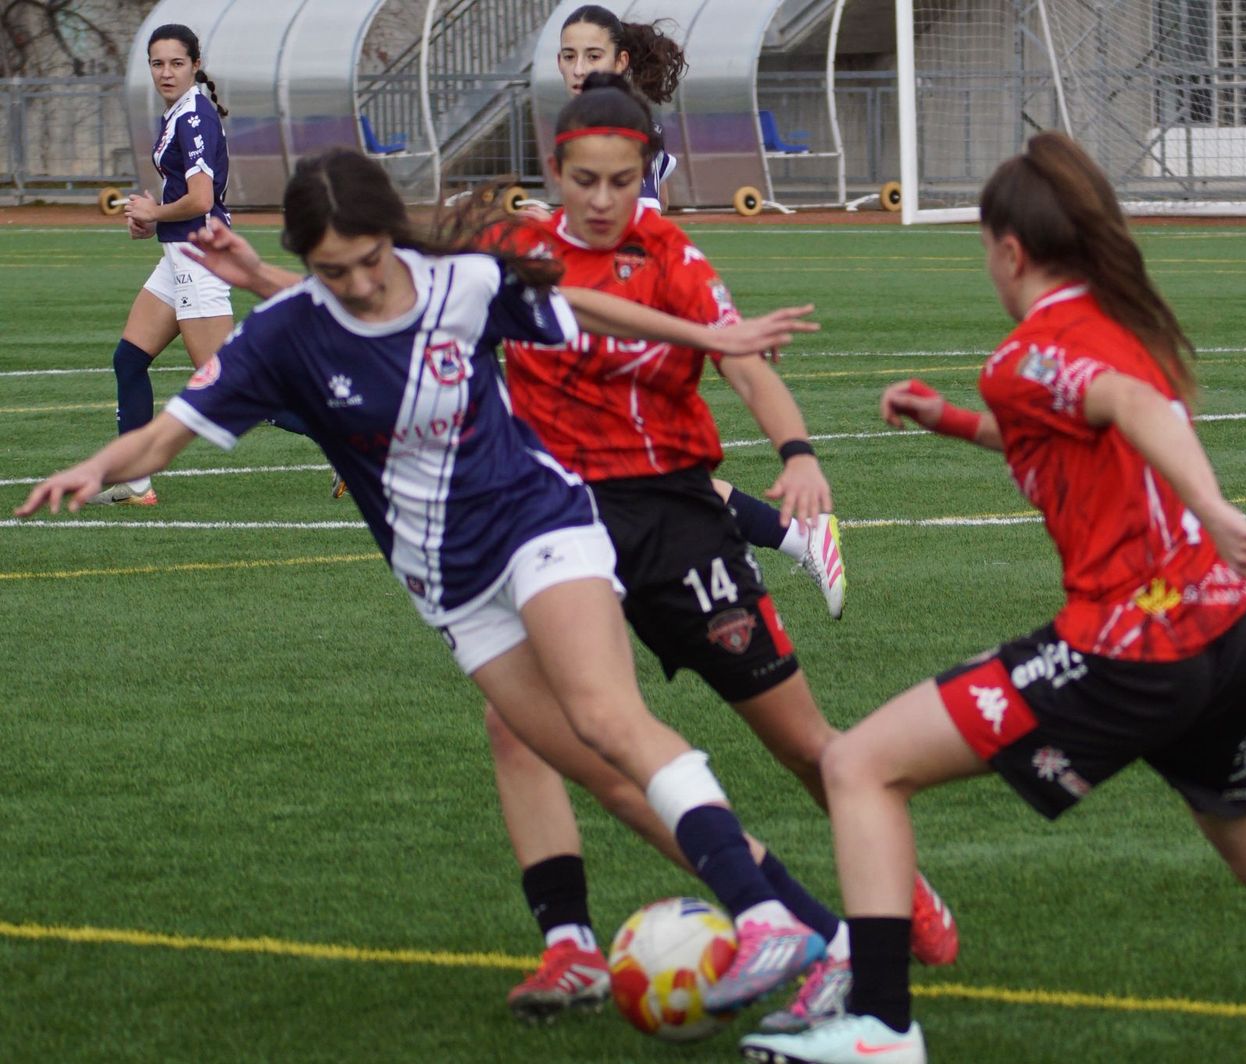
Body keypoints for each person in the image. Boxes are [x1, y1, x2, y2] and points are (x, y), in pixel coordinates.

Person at [17, 146, 834, 1016]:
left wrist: (708, 337)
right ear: (305, 262)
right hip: (450, 587)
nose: (363, 283)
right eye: (334, 271)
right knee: (596, 773)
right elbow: (164, 437)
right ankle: (816, 928)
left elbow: (573, 304)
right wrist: (94, 468)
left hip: (541, 526)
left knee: (606, 719)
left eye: (372, 259)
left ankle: (762, 919)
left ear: (390, 237)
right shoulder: (282, 337)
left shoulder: (459, 283)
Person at [739, 132, 1246, 1064]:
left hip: (1133, 645)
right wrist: (952, 423)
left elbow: (1133, 412)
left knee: (858, 767)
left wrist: (1214, 506)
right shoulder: (1118, 322)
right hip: (1224, 636)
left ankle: (881, 1031)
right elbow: (1079, 432)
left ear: (1010, 250)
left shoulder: (1029, 354)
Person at [478, 75, 955, 1027]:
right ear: (554, 173)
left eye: (622, 179)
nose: (604, 199)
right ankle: (571, 944)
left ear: (646, 171)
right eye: (585, 180)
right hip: (558, 527)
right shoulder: (514, 249)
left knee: (798, 743)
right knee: (529, 729)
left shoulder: (675, 261)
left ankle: (892, 888)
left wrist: (799, 455)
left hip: (676, 525)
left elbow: (739, 357)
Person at [551, 4, 847, 617]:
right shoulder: (583, 126)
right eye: (569, 55)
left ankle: (774, 543)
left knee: (624, 475)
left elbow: (643, 243)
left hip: (636, 324)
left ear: (621, 61)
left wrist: (714, 328)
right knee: (609, 476)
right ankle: (775, 540)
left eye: (593, 55)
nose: (579, 68)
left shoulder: (632, 136)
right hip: (611, 321)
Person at [94, 23, 236, 505]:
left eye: (177, 63)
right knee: (129, 359)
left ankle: (356, 446)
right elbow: (188, 196)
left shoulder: (193, 114)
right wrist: (153, 220)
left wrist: (155, 212)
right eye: (157, 63)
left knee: (230, 388)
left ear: (196, 64)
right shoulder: (180, 111)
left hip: (200, 257)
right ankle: (134, 479)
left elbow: (199, 200)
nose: (166, 72)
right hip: (180, 254)